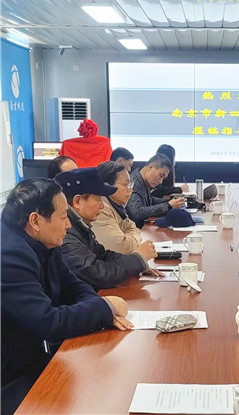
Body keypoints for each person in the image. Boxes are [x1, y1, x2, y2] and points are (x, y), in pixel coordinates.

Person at [1, 178, 132, 414]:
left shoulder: (43, 241)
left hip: (30, 357)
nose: (69, 225)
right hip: (9, 376)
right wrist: (105, 309)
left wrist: (102, 307)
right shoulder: (9, 257)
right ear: (35, 221)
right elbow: (50, 323)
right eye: (63, 217)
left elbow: (73, 285)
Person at [56, 168, 161, 290]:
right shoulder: (65, 233)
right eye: (98, 199)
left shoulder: (80, 225)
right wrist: (138, 258)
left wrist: (136, 265)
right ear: (78, 201)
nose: (102, 205)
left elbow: (104, 256)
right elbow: (98, 275)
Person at [92, 161, 142, 253]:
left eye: (130, 184)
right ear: (107, 187)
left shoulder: (116, 206)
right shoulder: (100, 209)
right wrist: (135, 237)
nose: (130, 190)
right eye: (126, 185)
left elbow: (132, 227)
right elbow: (122, 247)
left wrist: (130, 236)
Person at [127, 153, 186, 228]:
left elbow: (151, 200)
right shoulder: (133, 182)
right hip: (135, 231)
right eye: (161, 176)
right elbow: (137, 212)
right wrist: (168, 205)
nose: (160, 181)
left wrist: (172, 201)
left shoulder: (143, 180)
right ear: (150, 167)